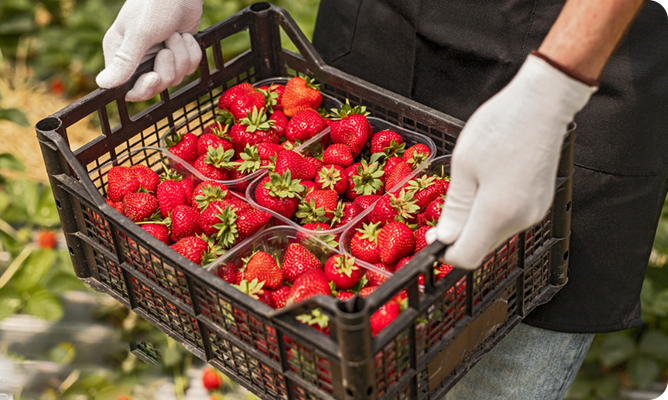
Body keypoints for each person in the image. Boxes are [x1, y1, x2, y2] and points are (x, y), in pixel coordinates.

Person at [97, 0, 668, 398]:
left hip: (590, 65)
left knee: (497, 365)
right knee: (309, 369)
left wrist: (557, 86)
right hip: (383, 36)